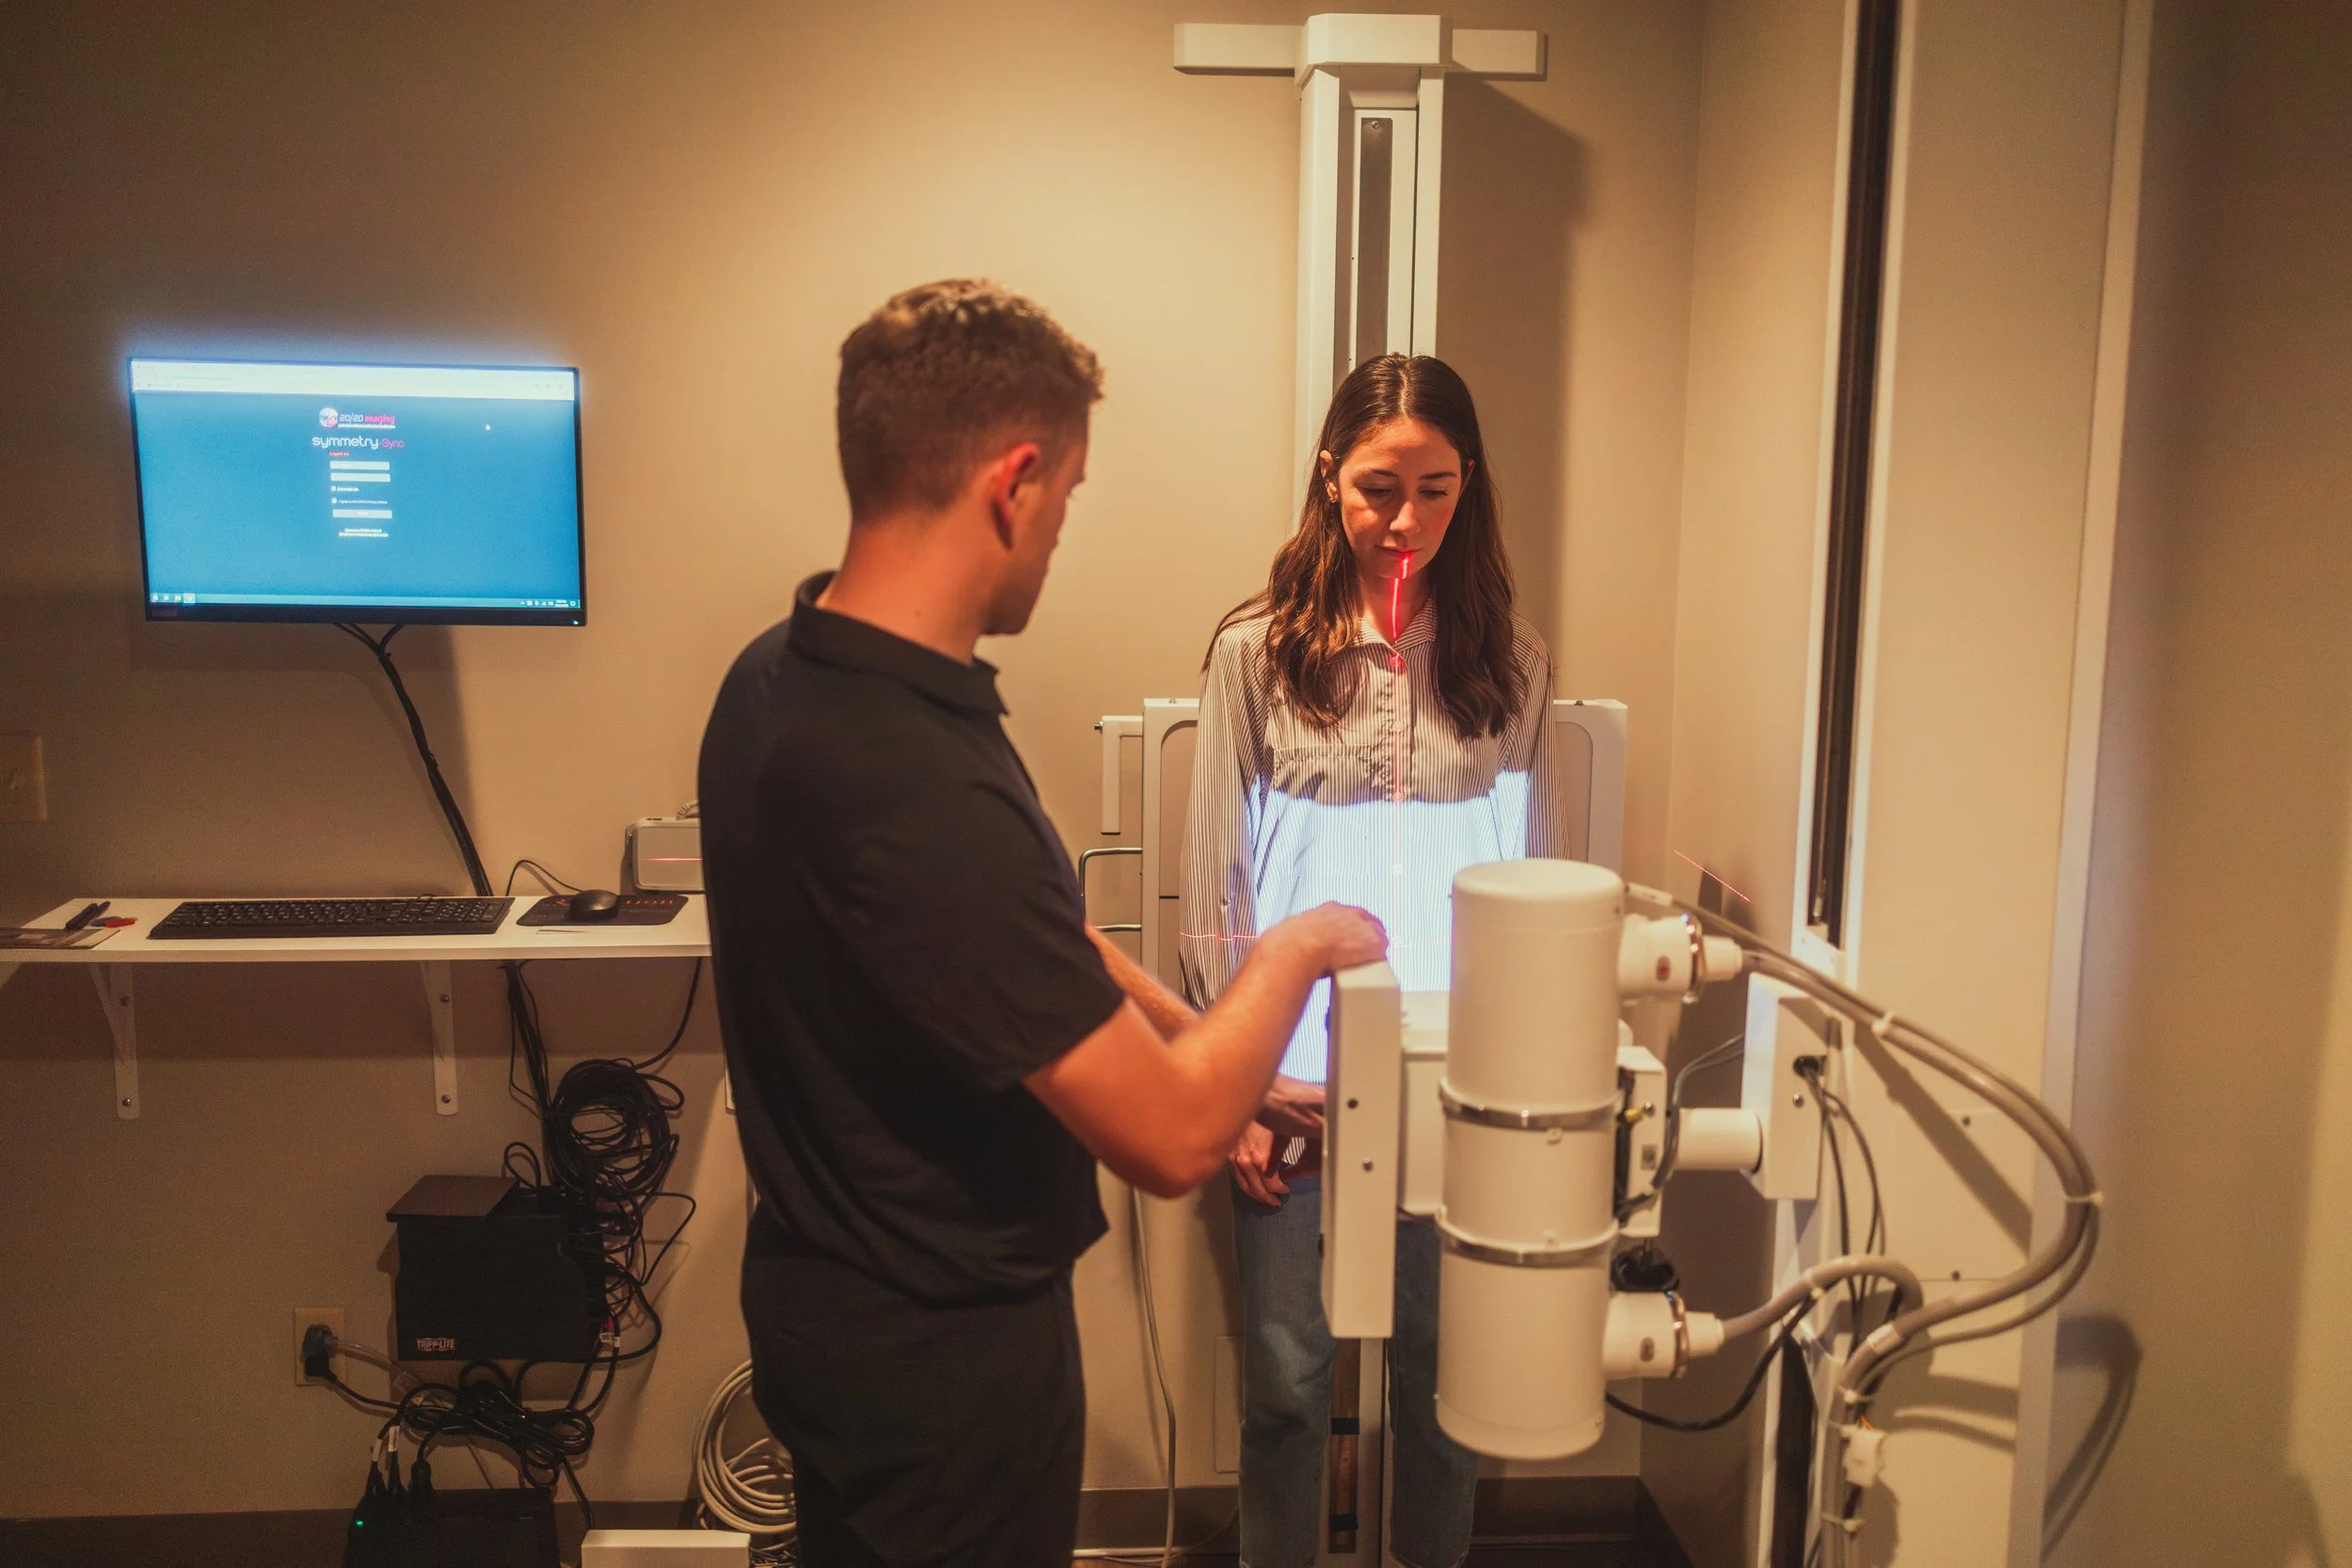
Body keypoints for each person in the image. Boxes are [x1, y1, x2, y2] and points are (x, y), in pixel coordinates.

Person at [696, 279, 1388, 1568]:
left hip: (824, 1302)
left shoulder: (777, 678)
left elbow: (1017, 951)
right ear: (1013, 481)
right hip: (941, 1367)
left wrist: (1209, 1038)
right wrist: (1300, 947)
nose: (1062, 529)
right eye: (1067, 493)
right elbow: (1171, 1137)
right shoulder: (914, 777)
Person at [1179, 354, 1563, 1568]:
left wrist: (1529, 1073)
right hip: (1290, 1073)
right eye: (1378, 488)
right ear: (1328, 483)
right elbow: (1213, 878)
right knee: (1289, 1389)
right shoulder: (1257, 654)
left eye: (1438, 490)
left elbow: (1534, 878)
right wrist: (1231, 1081)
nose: (1407, 522)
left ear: (1472, 490)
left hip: (1450, 1068)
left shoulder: (1512, 659)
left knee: (1447, 1389)